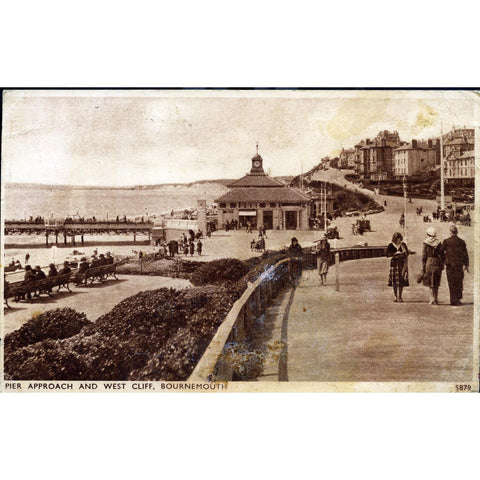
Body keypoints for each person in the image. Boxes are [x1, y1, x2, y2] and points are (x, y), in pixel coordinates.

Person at [442, 224, 469, 306]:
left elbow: (441, 251)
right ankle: (458, 299)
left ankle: (453, 300)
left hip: (450, 265)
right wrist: (466, 264)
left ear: (450, 232)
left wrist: (444, 260)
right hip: (459, 265)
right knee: (459, 281)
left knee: (451, 282)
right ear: (457, 232)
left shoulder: (446, 241)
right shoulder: (462, 241)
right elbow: (465, 254)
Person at [421, 227, 444, 306]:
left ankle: (431, 298)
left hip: (429, 261)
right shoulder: (439, 243)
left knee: (430, 281)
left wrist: (423, 267)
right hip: (437, 262)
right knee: (436, 281)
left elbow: (424, 255)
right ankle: (436, 298)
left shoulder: (426, 243)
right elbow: (442, 254)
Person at [387, 232, 409, 302]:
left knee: (401, 281)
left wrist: (403, 253)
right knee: (394, 282)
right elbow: (387, 254)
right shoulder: (391, 245)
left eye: (399, 239)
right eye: (397, 239)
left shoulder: (403, 245)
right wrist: (394, 254)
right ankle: (395, 296)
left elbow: (407, 254)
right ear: (395, 239)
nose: (399, 240)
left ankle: (400, 296)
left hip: (401, 264)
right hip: (394, 264)